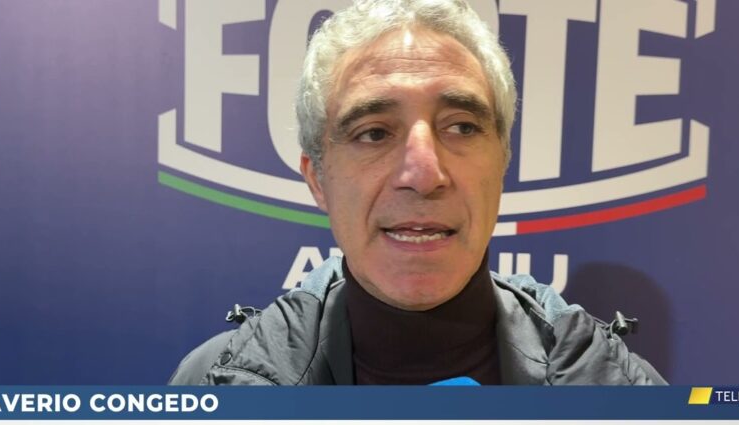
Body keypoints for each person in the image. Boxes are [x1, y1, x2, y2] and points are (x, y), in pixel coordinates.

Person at [170, 0, 666, 385]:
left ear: (502, 163)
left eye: (462, 127)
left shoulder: (625, 392)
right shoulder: (211, 386)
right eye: (374, 132)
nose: (424, 174)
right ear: (318, 179)